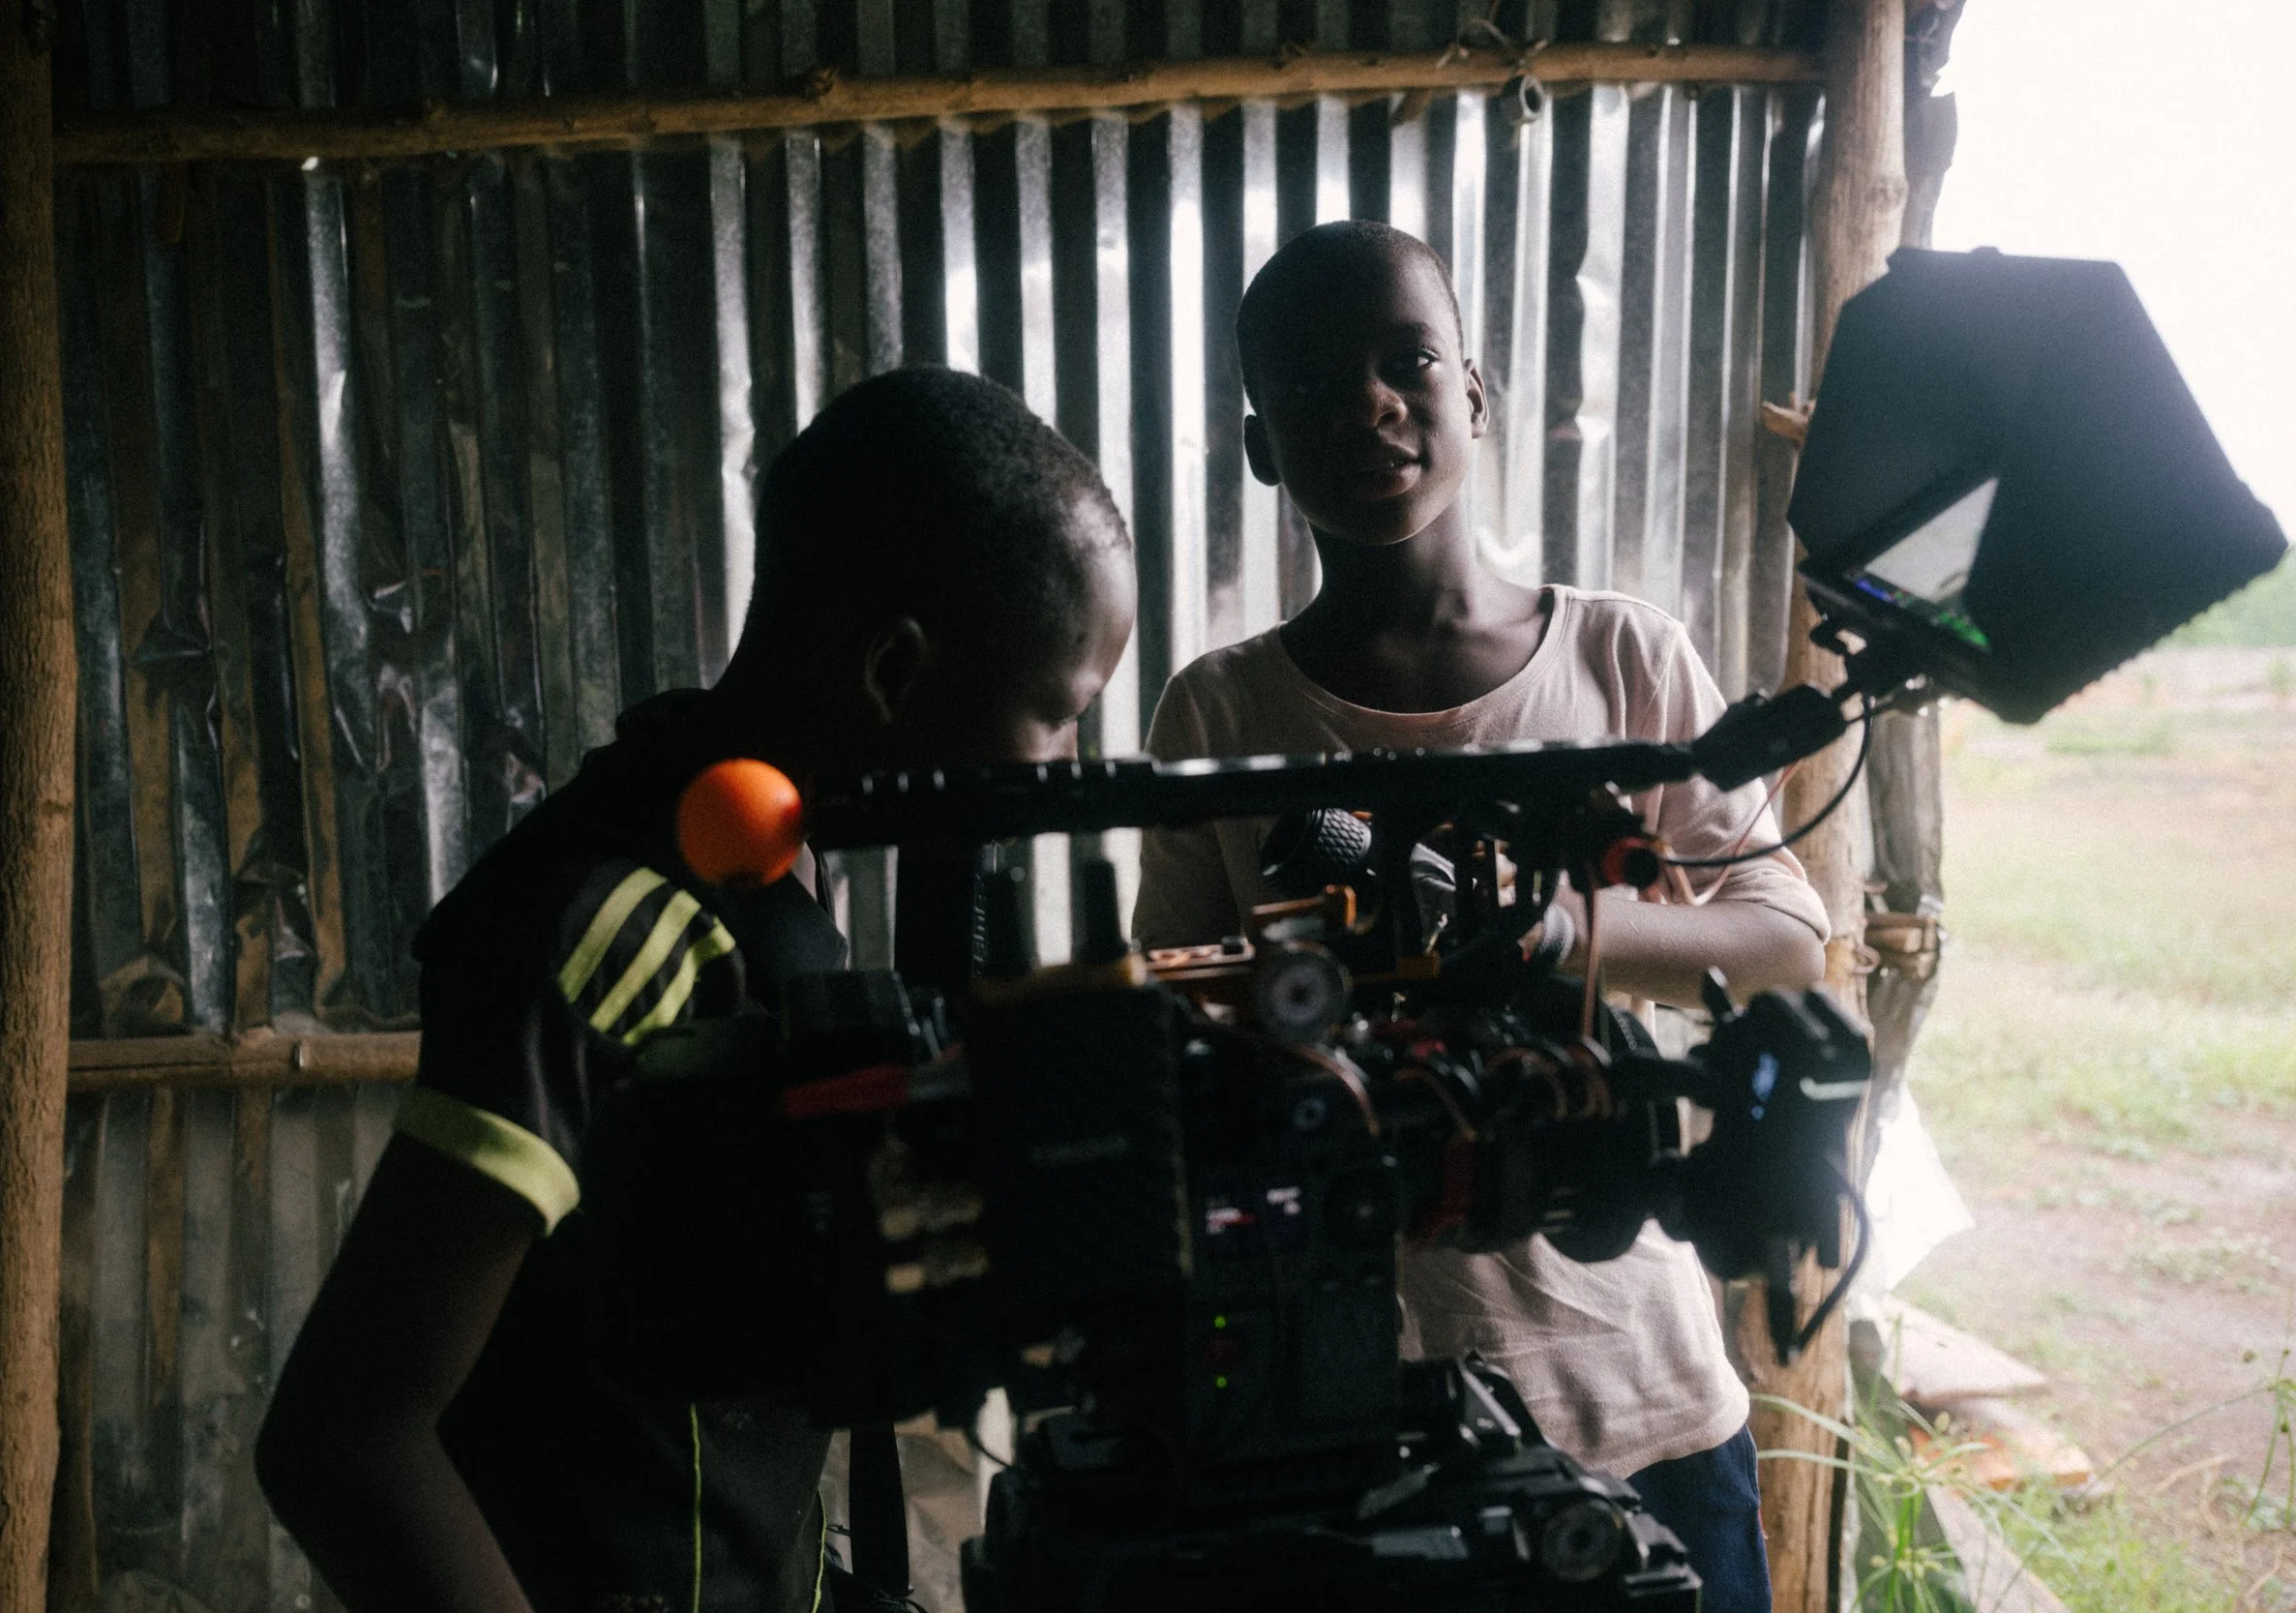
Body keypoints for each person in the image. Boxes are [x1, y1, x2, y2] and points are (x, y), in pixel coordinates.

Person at [256, 367, 1136, 1613]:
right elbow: (346, 1440)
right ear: (893, 671)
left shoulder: (761, 860)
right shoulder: (617, 924)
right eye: (1060, 715)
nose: (1067, 768)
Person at [1131, 221, 1830, 1610]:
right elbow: (1170, 1012)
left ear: (1477, 393)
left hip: (1637, 1397)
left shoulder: (1623, 657)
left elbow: (1786, 936)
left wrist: (1563, 935)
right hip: (1349, 1422)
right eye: (1316, 386)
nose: (1372, 404)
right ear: (1263, 442)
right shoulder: (1218, 713)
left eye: (1408, 363)